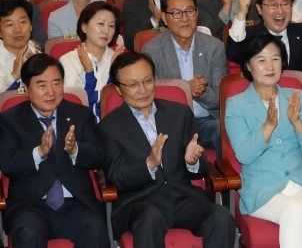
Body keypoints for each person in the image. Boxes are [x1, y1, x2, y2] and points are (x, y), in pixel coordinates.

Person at [96, 52, 236, 248]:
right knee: (150, 216)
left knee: (221, 215)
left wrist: (192, 162)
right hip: (140, 202)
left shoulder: (179, 114)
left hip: (182, 197)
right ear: (119, 89)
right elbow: (117, 177)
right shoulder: (109, 127)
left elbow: (202, 165)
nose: (143, 90)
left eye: (147, 81)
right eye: (134, 84)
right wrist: (149, 164)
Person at [225, 33, 302, 247]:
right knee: (293, 210)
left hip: (299, 180)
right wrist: (267, 127)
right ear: (248, 65)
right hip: (261, 187)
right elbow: (244, 155)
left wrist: (297, 121)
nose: (270, 66)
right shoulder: (236, 104)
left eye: (275, 59)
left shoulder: (296, 96)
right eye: (261, 60)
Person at [0, 53, 109, 248]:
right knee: (28, 232)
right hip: (31, 207)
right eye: (42, 85)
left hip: (77, 204)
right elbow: (7, 163)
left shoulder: (80, 114)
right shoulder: (10, 120)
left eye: (56, 83)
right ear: (26, 88)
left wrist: (75, 149)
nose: (51, 91)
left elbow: (98, 157)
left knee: (95, 228)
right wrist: (39, 152)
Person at [143, 0, 227, 158]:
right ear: (165, 18)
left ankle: (226, 180)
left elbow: (221, 99)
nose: (184, 18)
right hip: (171, 125)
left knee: (224, 129)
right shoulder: (151, 50)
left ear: (197, 13)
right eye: (176, 13)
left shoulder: (214, 47)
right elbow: (150, 97)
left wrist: (201, 91)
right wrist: (184, 90)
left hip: (206, 121)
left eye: (189, 11)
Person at [227, 0, 302, 73]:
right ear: (259, 8)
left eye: (285, 4)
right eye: (273, 5)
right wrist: (241, 14)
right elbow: (233, 53)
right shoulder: (250, 36)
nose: (280, 11)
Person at [59, 2, 124, 122]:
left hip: (114, 124)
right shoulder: (68, 60)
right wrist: (89, 74)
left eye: (111, 26)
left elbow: (118, 101)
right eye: (100, 24)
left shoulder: (118, 59)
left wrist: (113, 70)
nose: (106, 31)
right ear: (84, 27)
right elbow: (74, 104)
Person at [0, 0, 40, 92]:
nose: (18, 29)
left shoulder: (39, 57)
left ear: (31, 26)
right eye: (10, 24)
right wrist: (14, 75)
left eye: (22, 22)